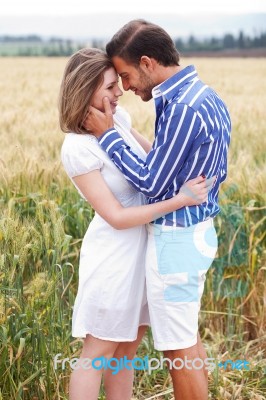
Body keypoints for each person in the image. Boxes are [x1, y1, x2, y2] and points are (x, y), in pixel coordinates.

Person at [85, 19, 232, 400]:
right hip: (196, 233)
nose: (127, 87)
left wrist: (107, 137)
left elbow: (151, 183)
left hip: (176, 241)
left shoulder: (181, 108)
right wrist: (128, 133)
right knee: (185, 337)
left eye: (127, 75)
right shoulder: (206, 96)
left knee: (177, 349)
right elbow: (176, 165)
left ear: (148, 63)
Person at [58, 47, 214, 400]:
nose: (119, 93)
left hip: (145, 252)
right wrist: (181, 200)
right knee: (98, 352)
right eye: (110, 86)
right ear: (84, 89)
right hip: (114, 257)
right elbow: (115, 217)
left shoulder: (120, 121)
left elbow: (154, 164)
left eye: (119, 83)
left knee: (127, 350)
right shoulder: (78, 148)